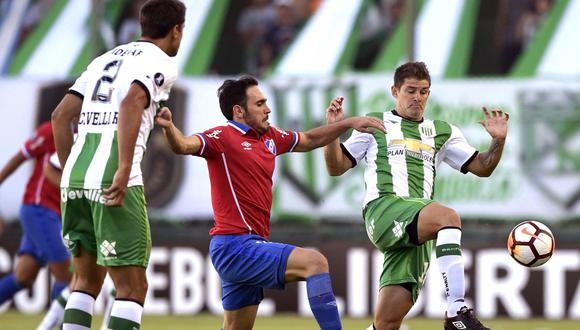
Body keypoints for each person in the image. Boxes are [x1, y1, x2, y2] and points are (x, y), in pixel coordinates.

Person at [155, 75, 386, 330]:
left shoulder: (270, 137)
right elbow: (184, 145)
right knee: (315, 262)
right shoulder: (222, 136)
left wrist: (345, 124)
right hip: (235, 246)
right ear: (239, 111)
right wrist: (168, 128)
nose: (268, 109)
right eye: (260, 104)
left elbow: (309, 139)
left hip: (247, 245)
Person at [324, 62, 508, 330]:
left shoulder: (443, 132)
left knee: (387, 323)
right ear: (394, 91)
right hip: (384, 210)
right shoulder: (375, 123)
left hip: (418, 229)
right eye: (410, 91)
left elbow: (483, 167)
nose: (417, 98)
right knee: (448, 216)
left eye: (423, 92)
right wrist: (332, 131)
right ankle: (457, 309)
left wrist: (498, 140)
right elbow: (335, 167)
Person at [50, 0, 186, 329]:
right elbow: (131, 102)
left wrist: (72, 175)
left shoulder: (104, 58)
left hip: (76, 179)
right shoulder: (161, 61)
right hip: (113, 177)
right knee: (132, 287)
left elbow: (60, 117)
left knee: (85, 282)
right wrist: (123, 168)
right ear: (176, 31)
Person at [36, 151, 116, 330]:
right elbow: (50, 167)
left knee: (81, 283)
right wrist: (74, 189)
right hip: (98, 216)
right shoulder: (83, 137)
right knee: (124, 282)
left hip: (103, 212)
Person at [0, 121, 72, 314]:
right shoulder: (52, 130)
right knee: (67, 277)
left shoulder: (91, 132)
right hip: (39, 209)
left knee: (24, 276)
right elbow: (20, 157)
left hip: (54, 214)